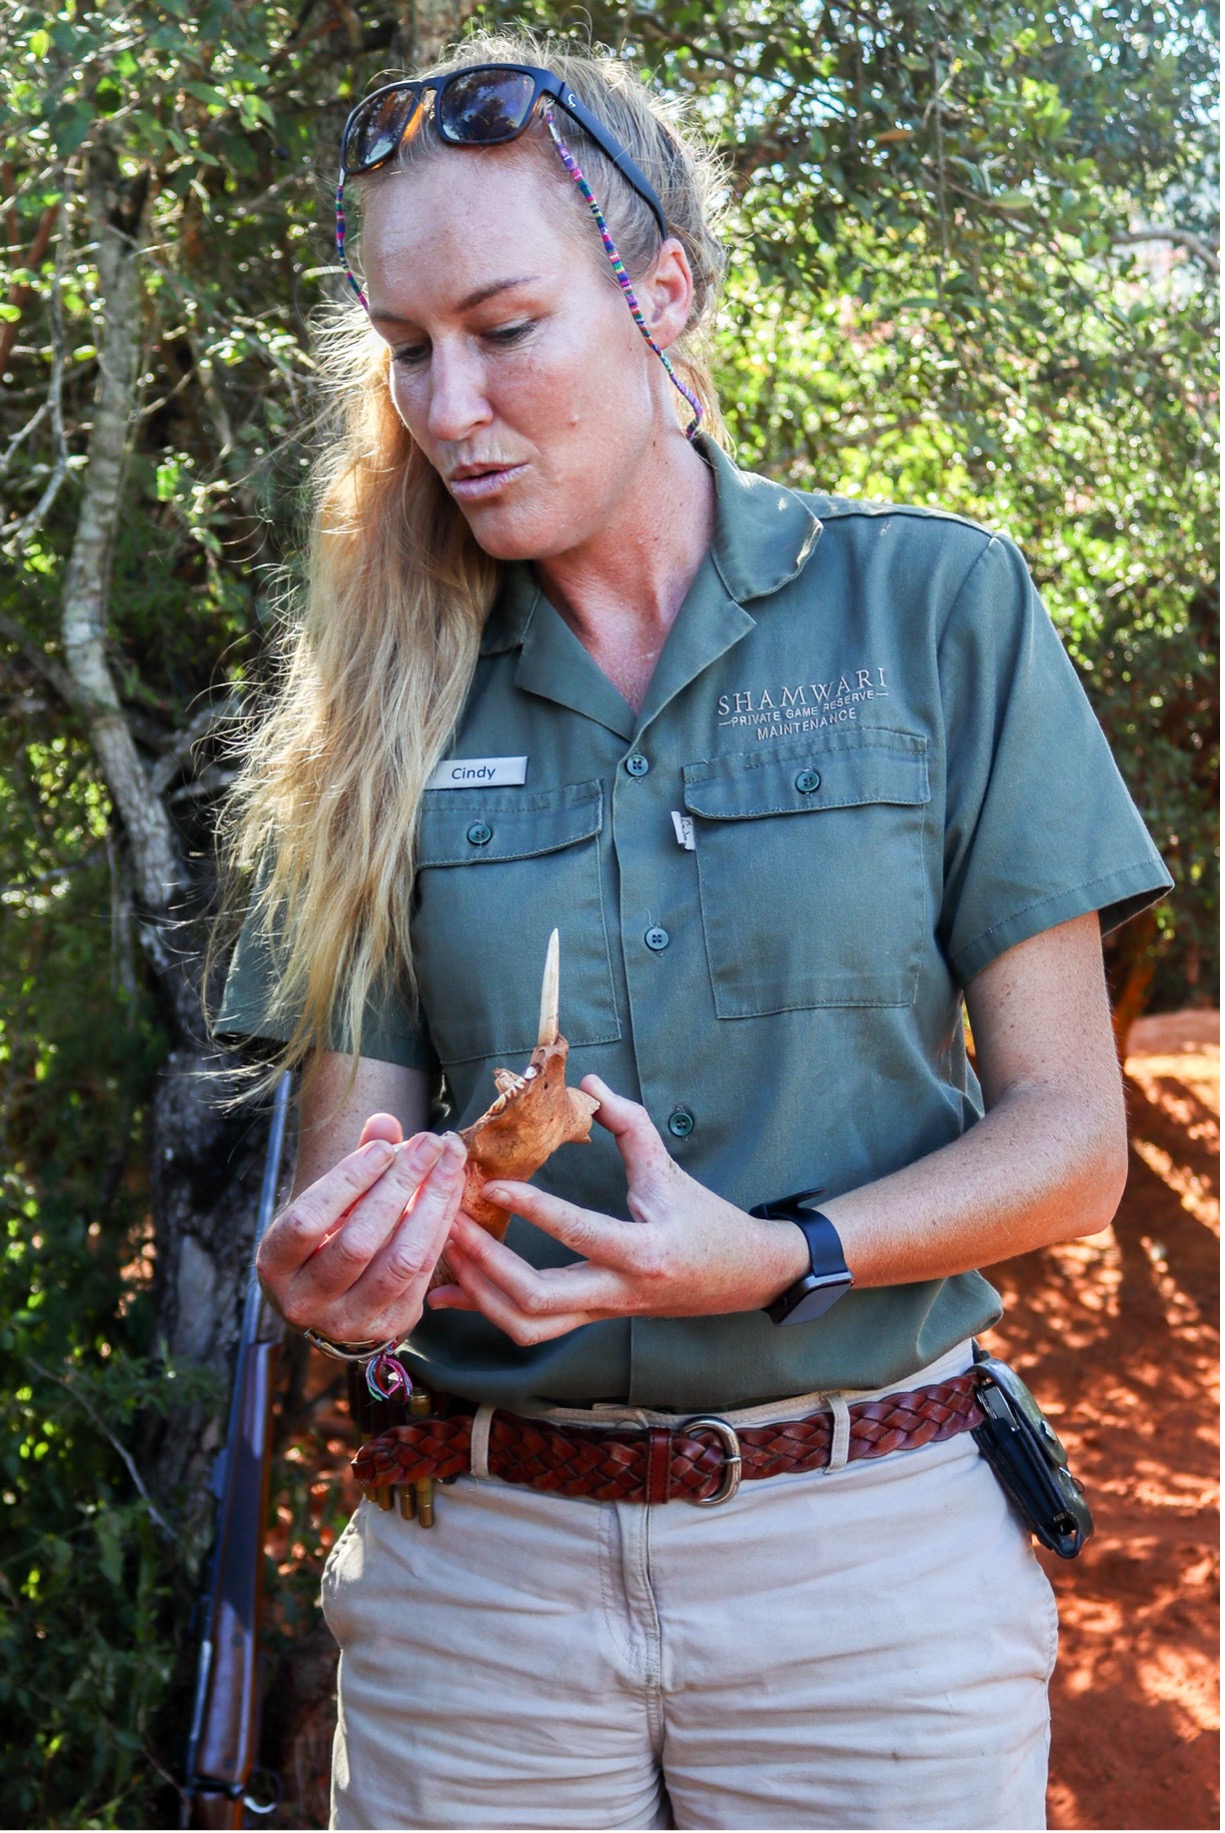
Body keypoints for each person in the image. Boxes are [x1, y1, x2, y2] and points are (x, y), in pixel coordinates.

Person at [215, 33, 1172, 1832]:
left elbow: (1070, 1146)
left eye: (503, 330)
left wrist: (781, 1255)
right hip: (477, 1592)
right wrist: (353, 1276)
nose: (446, 403)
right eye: (406, 348)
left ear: (659, 295)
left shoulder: (932, 607)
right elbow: (350, 1179)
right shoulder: (373, 709)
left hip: (867, 1578)